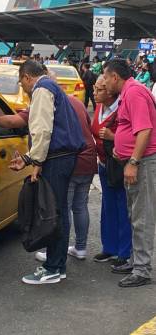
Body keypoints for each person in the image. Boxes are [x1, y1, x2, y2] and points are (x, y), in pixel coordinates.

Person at [9, 60, 86, 285]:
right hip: (62, 158)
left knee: (54, 212)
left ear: (27, 77)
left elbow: (42, 130)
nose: (22, 87)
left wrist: (37, 162)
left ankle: (53, 267)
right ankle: (57, 265)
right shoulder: (52, 87)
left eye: (21, 82)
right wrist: (29, 158)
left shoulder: (42, 89)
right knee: (58, 210)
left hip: (56, 160)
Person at [103, 58, 156, 287]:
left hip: (143, 163)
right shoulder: (129, 93)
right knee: (134, 214)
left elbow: (144, 130)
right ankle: (136, 262)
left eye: (105, 77)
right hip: (134, 161)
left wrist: (133, 160)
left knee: (142, 216)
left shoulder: (134, 93)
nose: (104, 83)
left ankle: (142, 269)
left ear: (115, 76)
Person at [35, 95, 98, 262]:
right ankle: (81, 247)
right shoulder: (77, 102)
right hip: (89, 158)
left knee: (63, 208)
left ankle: (56, 251)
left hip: (71, 160)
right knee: (80, 206)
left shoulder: (50, 103)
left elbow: (41, 130)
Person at [91, 76, 132, 271]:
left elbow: (135, 136)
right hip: (104, 164)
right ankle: (109, 247)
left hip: (120, 165)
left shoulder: (123, 106)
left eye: (99, 89)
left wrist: (112, 137)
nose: (94, 92)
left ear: (109, 92)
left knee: (123, 208)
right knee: (107, 208)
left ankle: (124, 252)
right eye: (94, 88)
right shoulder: (99, 106)